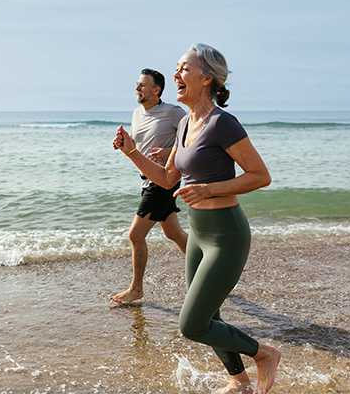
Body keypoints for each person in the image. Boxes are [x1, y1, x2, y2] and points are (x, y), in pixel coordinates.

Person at [113, 45, 281, 394]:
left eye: (183, 69)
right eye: (176, 69)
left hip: (226, 236)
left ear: (206, 78)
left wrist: (209, 190)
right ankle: (239, 381)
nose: (175, 75)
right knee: (210, 317)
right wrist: (131, 152)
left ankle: (264, 355)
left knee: (192, 325)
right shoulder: (185, 124)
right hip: (200, 235)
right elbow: (166, 178)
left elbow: (260, 175)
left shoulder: (223, 124)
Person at [110, 68, 188, 306]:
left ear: (157, 90)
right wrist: (123, 144)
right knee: (172, 232)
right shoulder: (137, 114)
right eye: (137, 84)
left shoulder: (174, 113)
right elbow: (138, 148)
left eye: (143, 85)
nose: (138, 88)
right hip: (146, 179)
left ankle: (136, 289)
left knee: (135, 235)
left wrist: (169, 152)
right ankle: (207, 266)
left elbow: (192, 138)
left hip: (164, 180)